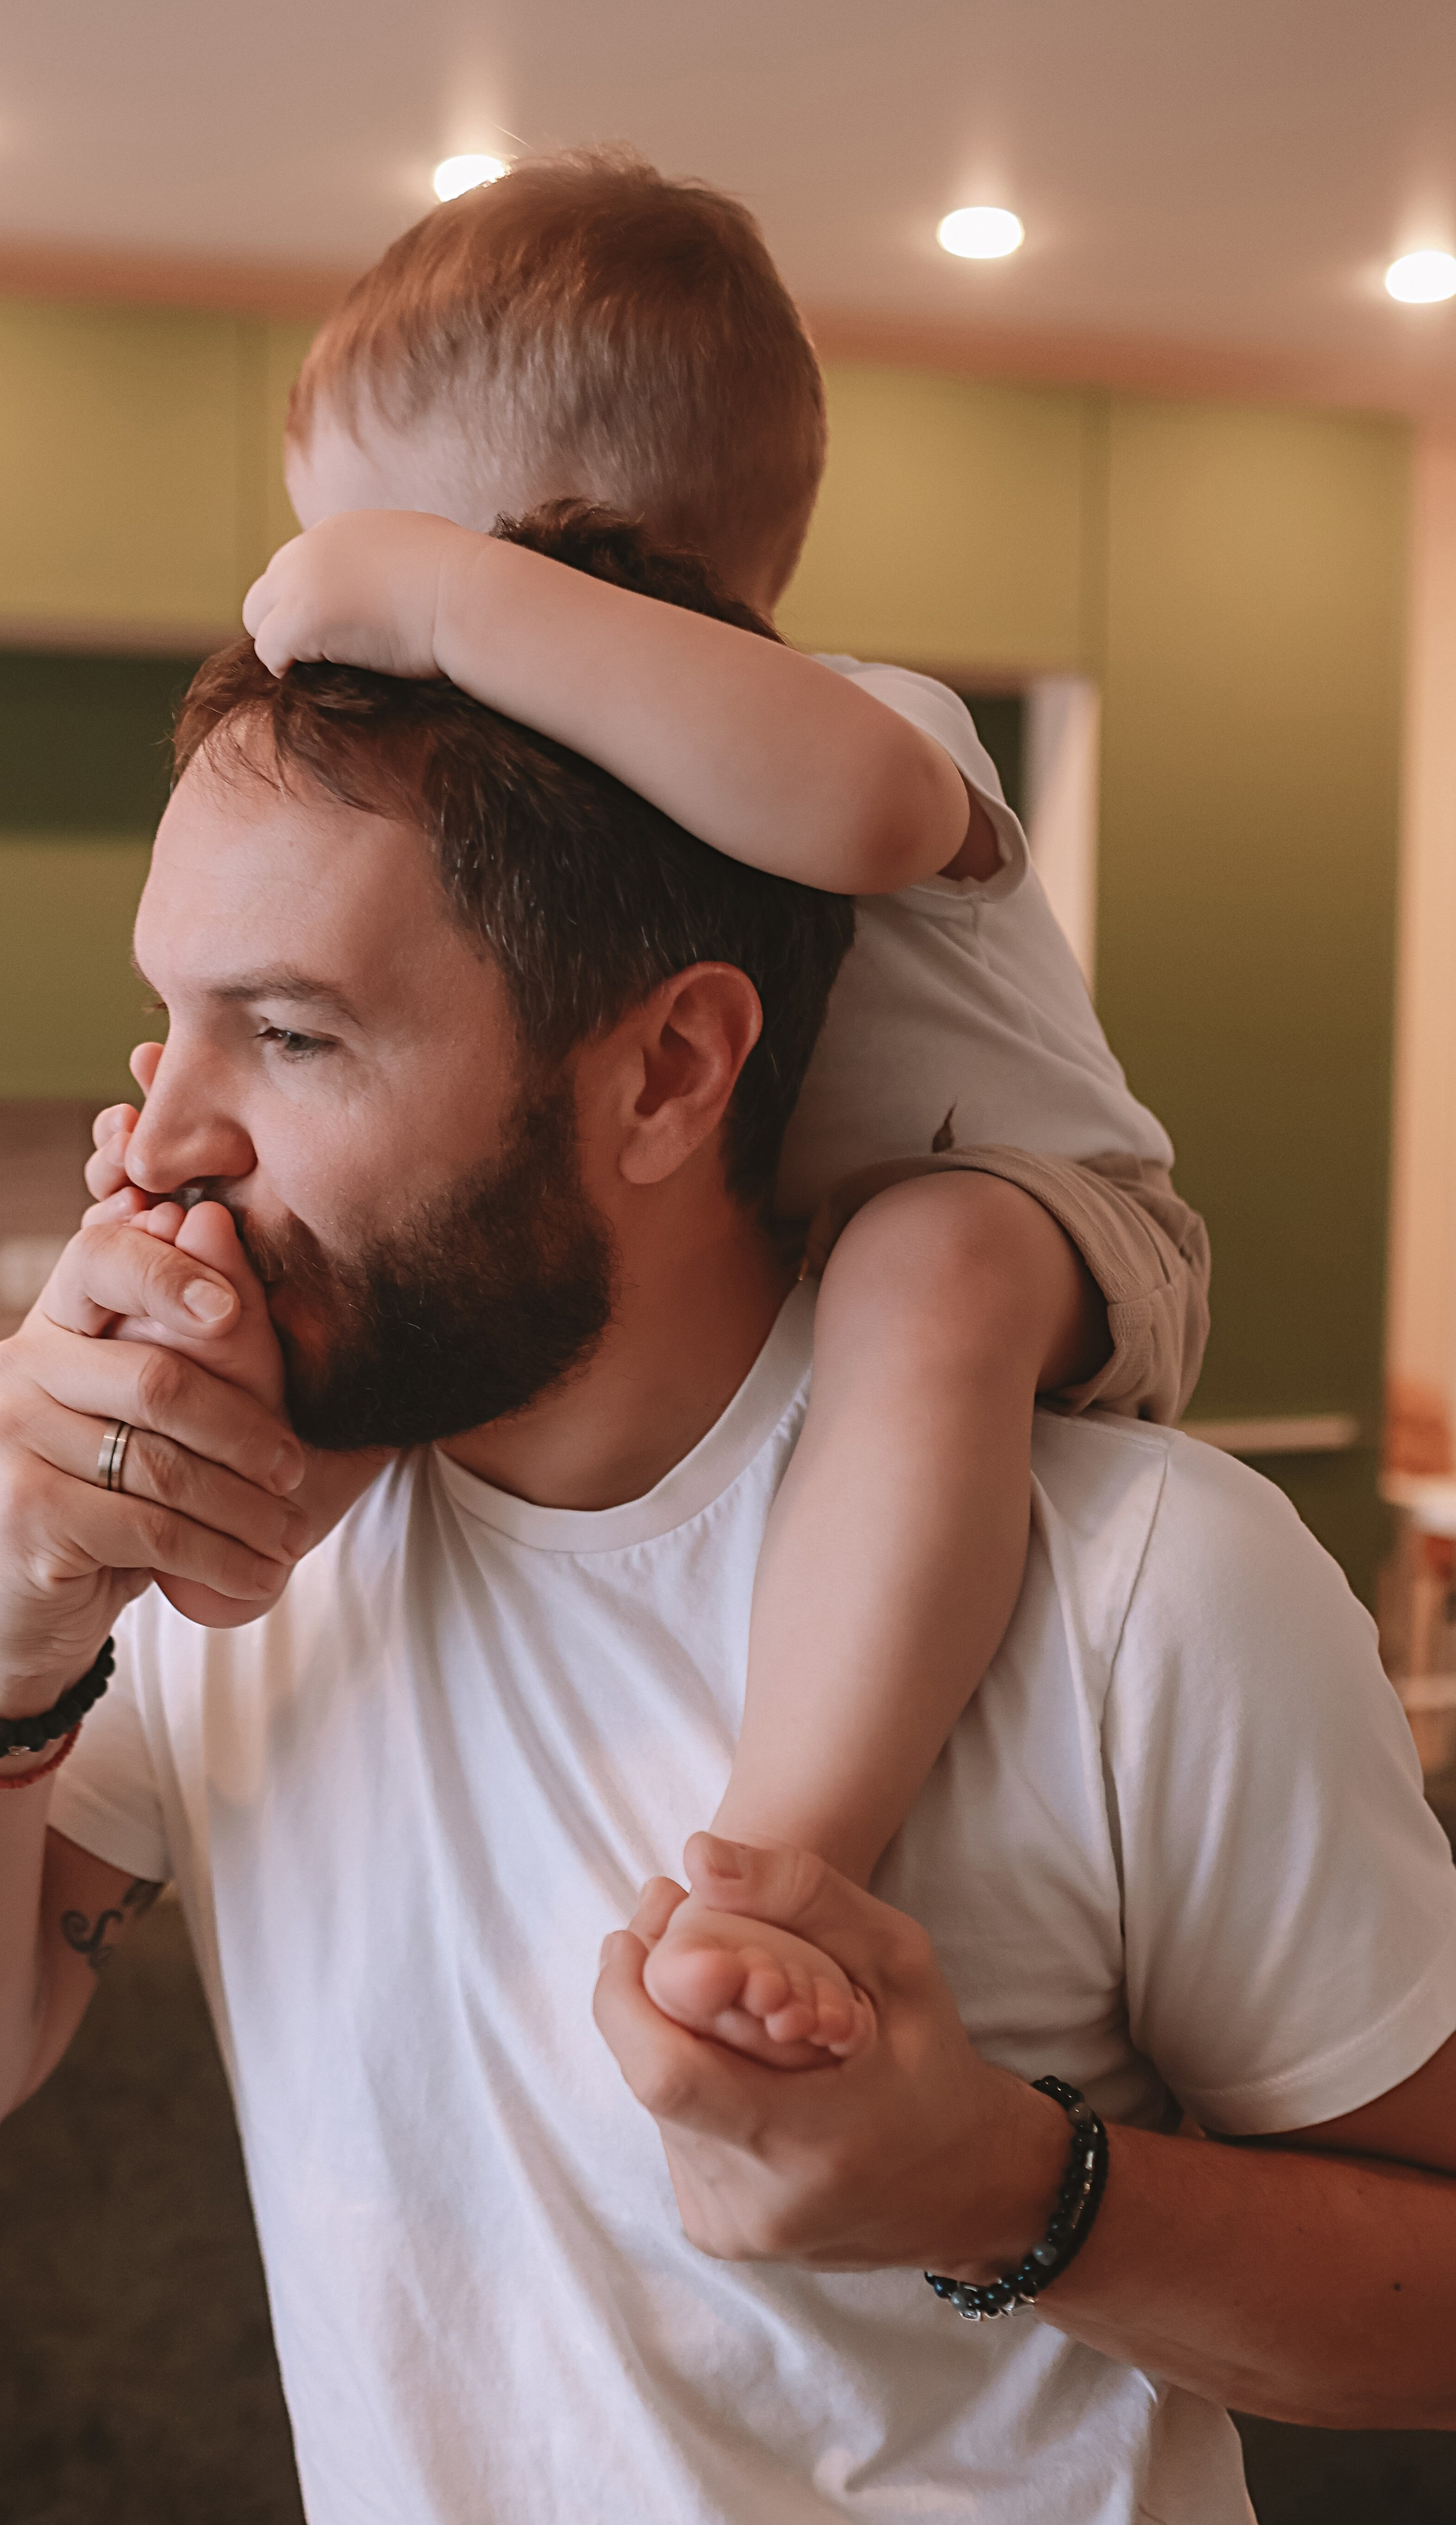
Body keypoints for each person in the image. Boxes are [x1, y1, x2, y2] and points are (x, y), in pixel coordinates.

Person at [0, 514, 1453, 2525]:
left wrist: (1009, 2189)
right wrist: (6, 1637)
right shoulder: (237, 1535)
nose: (159, 1141)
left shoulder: (1150, 1587)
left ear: (667, 1072)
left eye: (292, 1035)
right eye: (174, 1018)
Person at [85, 150, 1209, 2062]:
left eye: (369, 563)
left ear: (559, 558)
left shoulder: (857, 717)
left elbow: (861, 815)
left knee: (923, 1266)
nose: (344, 640)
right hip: (753, 1291)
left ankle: (789, 1856)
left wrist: (444, 599)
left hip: (1050, 1221)